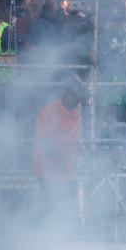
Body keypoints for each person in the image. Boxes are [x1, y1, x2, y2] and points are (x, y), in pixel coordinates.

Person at [33, 73, 84, 223]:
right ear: (66, 95)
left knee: (69, 214)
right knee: (48, 212)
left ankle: (69, 235)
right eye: (75, 97)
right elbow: (43, 145)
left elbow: (76, 141)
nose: (77, 102)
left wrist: (81, 155)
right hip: (48, 172)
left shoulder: (75, 113)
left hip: (68, 172)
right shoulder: (49, 111)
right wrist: (61, 158)